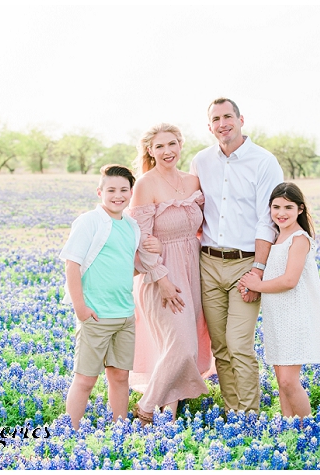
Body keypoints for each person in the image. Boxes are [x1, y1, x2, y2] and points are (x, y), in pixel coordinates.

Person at [191, 98, 284, 414]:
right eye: (215, 119)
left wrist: (258, 269)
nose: (222, 123)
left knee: (239, 344)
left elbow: (267, 218)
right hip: (208, 262)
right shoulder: (201, 161)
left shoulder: (263, 161)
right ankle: (233, 413)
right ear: (209, 127)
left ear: (241, 119)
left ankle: (249, 415)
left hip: (246, 264)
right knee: (221, 346)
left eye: (227, 116)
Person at [128, 123, 213, 424]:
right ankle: (147, 409)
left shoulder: (193, 182)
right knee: (182, 344)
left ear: (180, 145)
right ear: (150, 151)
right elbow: (139, 240)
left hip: (193, 271)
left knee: (176, 346)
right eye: (160, 146)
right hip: (160, 276)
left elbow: (204, 227)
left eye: (172, 144)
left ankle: (170, 415)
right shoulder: (145, 185)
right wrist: (161, 279)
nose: (167, 151)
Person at [61, 164, 149, 429]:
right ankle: (71, 430)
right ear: (100, 192)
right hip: (96, 314)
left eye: (123, 190)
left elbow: (127, 267)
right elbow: (71, 264)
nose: (117, 195)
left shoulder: (132, 226)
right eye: (111, 190)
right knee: (86, 379)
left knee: (120, 376)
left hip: (124, 314)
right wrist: (81, 308)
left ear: (131, 193)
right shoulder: (90, 221)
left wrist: (150, 253)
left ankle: (119, 428)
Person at [239, 183, 320, 420]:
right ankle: (290, 430)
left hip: (295, 316)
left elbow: (290, 280)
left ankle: (308, 430)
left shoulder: (299, 239)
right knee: (282, 382)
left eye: (288, 207)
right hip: (277, 316)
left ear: (300, 209)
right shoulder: (278, 237)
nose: (281, 213)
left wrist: (258, 285)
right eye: (276, 207)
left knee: (290, 381)